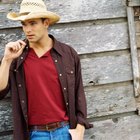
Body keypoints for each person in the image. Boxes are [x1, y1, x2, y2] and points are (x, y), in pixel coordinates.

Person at [0, 0, 93, 140]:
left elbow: (79, 92)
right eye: (24, 24)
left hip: (65, 131)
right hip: (33, 134)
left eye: (33, 23)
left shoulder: (67, 54)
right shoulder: (16, 57)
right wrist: (6, 60)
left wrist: (79, 129)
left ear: (46, 23)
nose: (27, 30)